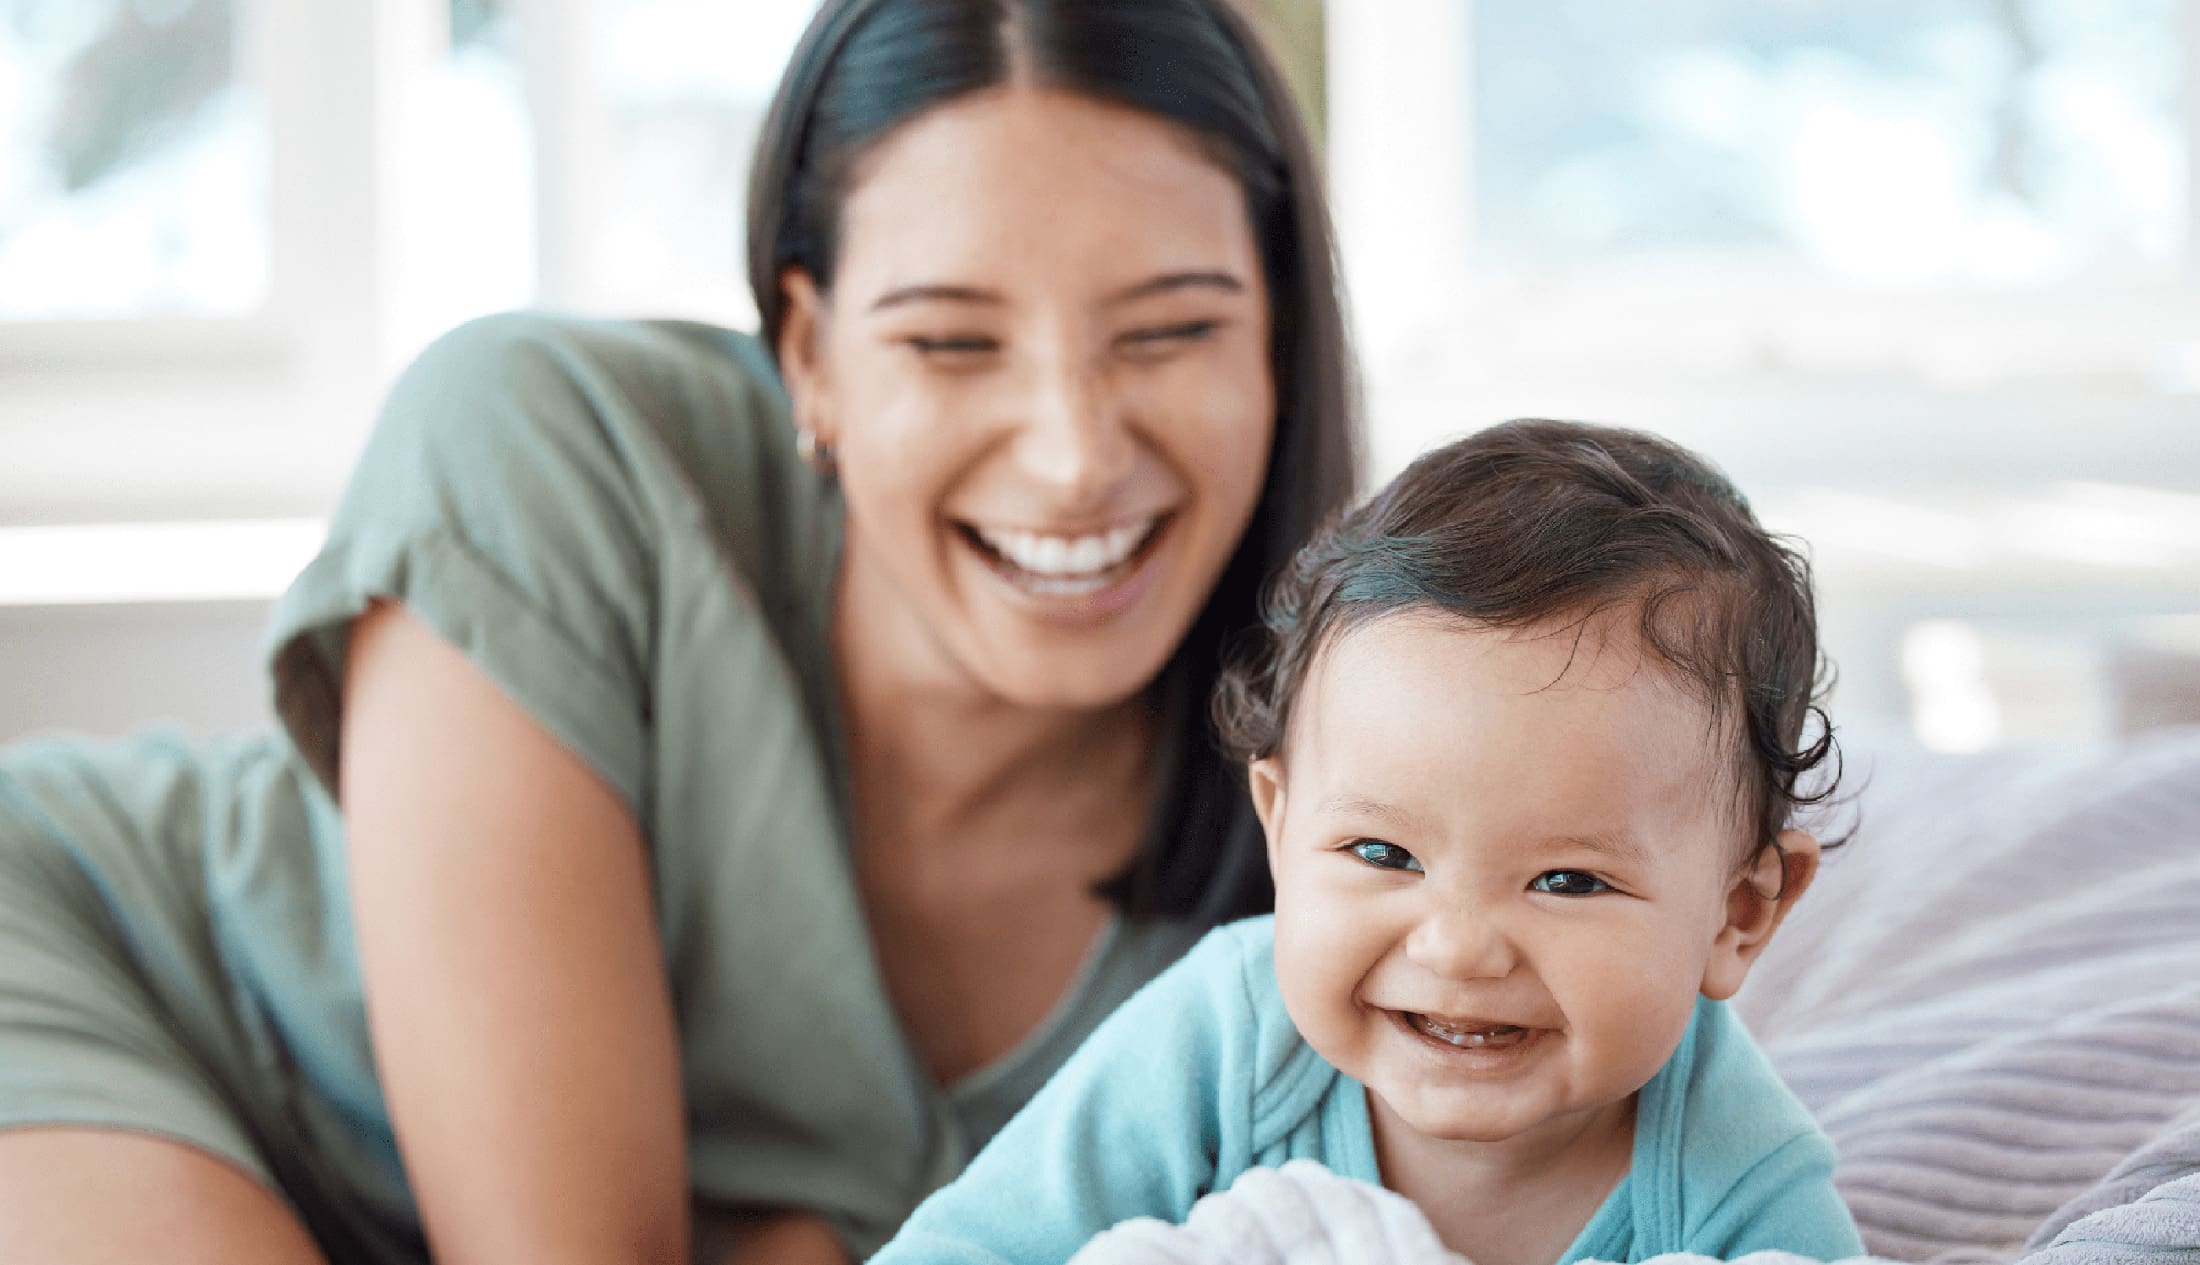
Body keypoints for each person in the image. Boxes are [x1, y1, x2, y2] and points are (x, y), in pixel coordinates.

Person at [0, 2, 1358, 1262]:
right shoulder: (548, 446)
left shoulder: (1356, 803)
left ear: (1277, 344)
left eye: (1172, 332)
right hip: (118, 988)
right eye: (950, 344)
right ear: (808, 354)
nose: (1071, 456)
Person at [871, 420, 1865, 1265]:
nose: (1456, 946)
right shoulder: (1226, 1038)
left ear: (1740, 912)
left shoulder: (1735, 1175)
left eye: (1566, 878)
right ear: (1281, 821)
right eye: (1382, 854)